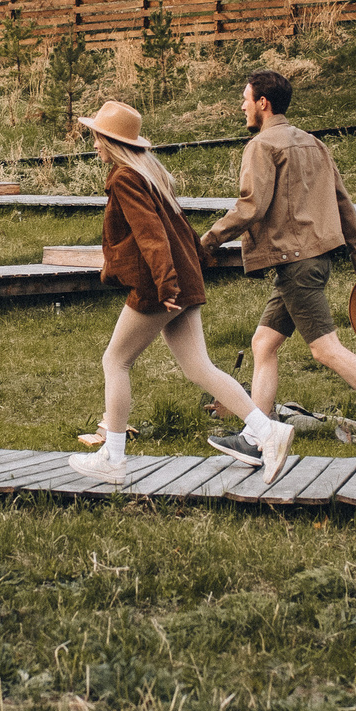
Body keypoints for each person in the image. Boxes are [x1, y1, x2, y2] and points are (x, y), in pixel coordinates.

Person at [199, 68, 356, 463]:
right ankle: (259, 435)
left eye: (245, 98)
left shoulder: (262, 146)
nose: (242, 105)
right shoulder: (313, 144)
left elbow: (252, 206)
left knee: (326, 350)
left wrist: (207, 240)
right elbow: (344, 203)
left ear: (263, 103)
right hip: (312, 259)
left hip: (296, 262)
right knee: (263, 343)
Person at [67, 100, 297, 486]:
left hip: (160, 286)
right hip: (180, 281)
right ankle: (265, 429)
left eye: (97, 138)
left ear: (111, 141)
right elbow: (177, 231)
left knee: (116, 361)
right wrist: (186, 276)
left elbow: (151, 235)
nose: (94, 145)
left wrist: (166, 284)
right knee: (198, 366)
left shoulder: (126, 177)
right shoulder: (151, 175)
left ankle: (114, 456)